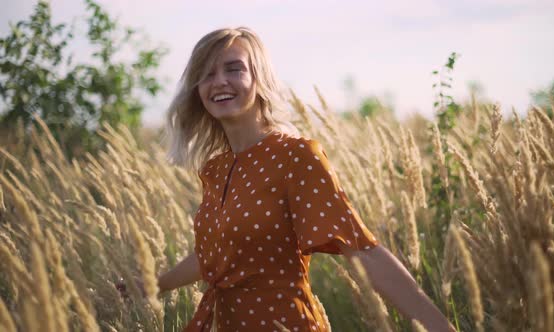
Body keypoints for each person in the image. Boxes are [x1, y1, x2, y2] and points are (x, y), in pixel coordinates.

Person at [153, 27, 454, 332]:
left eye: (234, 69)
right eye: (206, 74)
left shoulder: (295, 156)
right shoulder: (216, 169)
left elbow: (361, 249)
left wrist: (438, 327)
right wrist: (153, 284)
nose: (219, 81)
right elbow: (215, 256)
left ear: (259, 79)